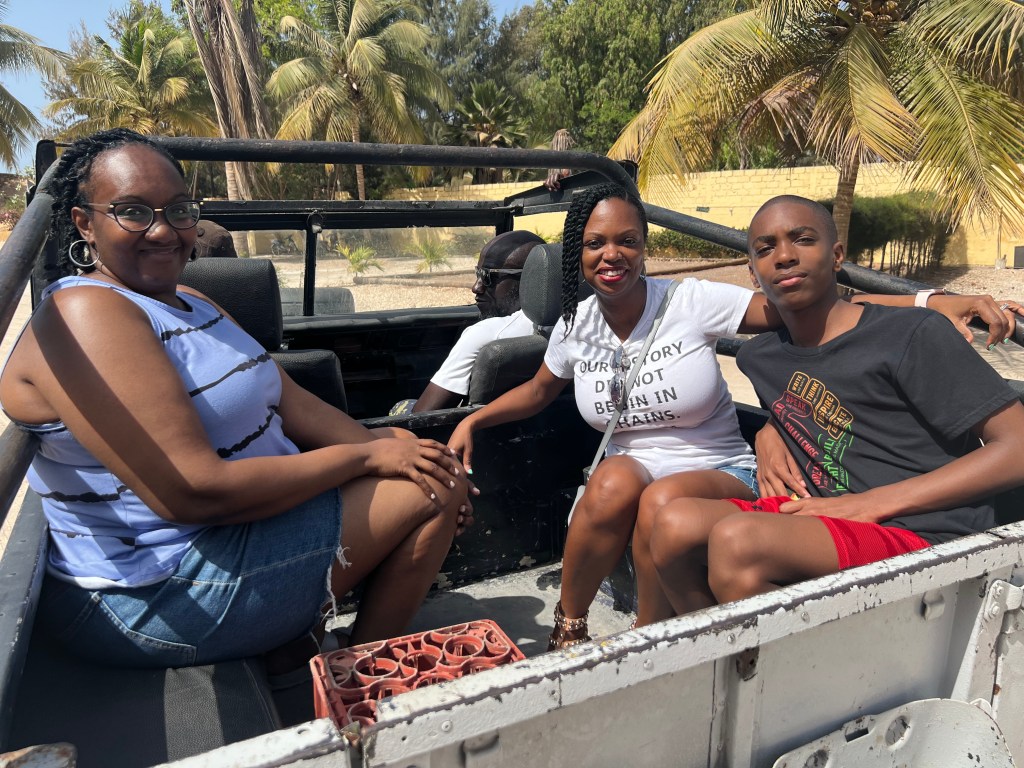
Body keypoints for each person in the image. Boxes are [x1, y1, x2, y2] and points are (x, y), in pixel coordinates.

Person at [447, 182, 1022, 650]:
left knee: (695, 521)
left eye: (627, 240)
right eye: (596, 243)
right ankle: (617, 634)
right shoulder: (756, 357)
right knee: (632, 496)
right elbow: (540, 389)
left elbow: (831, 305)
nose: (612, 254)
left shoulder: (695, 302)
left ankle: (669, 638)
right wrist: (473, 419)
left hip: (806, 492)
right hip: (761, 490)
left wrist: (931, 301)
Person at [0, 128, 475, 671]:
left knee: (424, 461)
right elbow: (193, 493)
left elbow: (291, 400)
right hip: (155, 589)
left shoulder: (190, 299)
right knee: (433, 485)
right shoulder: (86, 314)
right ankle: (359, 674)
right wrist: (369, 458)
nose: (163, 230)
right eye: (133, 212)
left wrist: (394, 450)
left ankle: (305, 648)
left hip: (230, 535)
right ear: (85, 223)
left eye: (179, 210)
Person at [632, 195, 1024, 626]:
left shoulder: (910, 336)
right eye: (766, 248)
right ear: (753, 273)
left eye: (802, 239)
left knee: (737, 541)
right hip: (827, 518)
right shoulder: (761, 358)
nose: (784, 256)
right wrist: (770, 429)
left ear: (837, 255)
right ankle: (715, 652)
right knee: (673, 524)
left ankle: (775, 663)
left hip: (925, 532)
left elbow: (1018, 448)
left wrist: (869, 504)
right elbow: (820, 398)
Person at [405, 230, 545, 413]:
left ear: (530, 278)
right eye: (477, 273)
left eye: (488, 277)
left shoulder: (486, 333)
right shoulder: (574, 324)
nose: (476, 287)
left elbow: (422, 416)